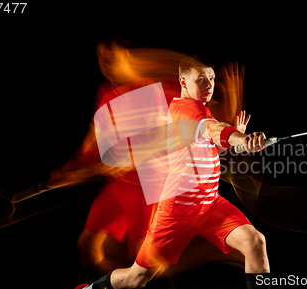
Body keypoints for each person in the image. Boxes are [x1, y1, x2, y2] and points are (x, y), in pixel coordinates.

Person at [77, 55, 271, 289]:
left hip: (210, 205)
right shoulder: (185, 111)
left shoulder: (199, 111)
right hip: (177, 211)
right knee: (136, 279)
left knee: (255, 242)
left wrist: (236, 140)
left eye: (210, 78)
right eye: (200, 79)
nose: (209, 85)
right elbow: (214, 128)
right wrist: (242, 138)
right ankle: (90, 288)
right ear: (183, 83)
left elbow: (208, 142)